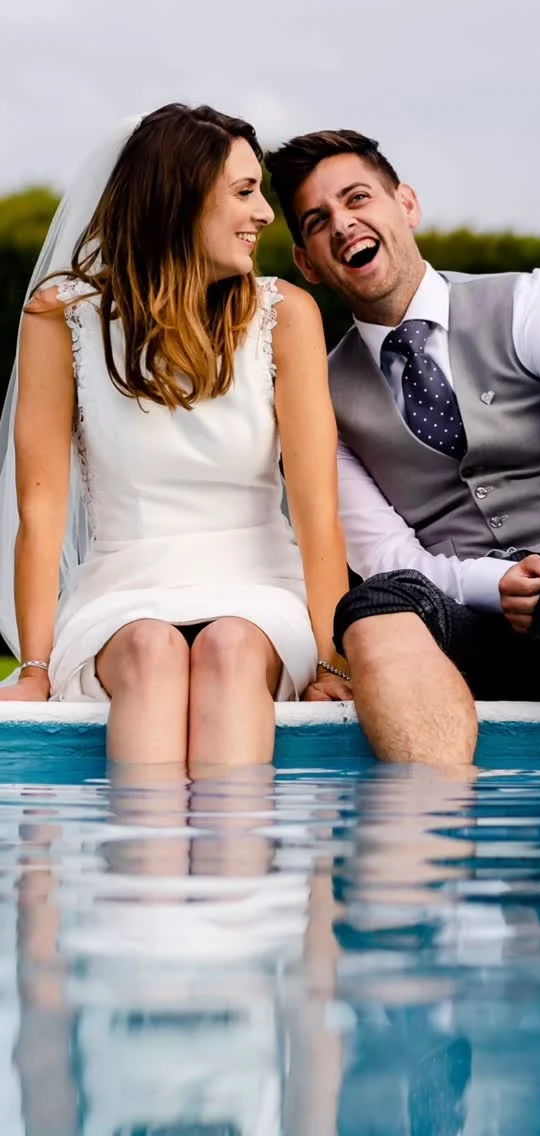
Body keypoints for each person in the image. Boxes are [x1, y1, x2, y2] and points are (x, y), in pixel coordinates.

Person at [266, 129, 540, 765]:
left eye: (359, 198)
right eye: (318, 220)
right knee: (371, 609)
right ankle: (428, 846)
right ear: (307, 263)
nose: (343, 224)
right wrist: (491, 583)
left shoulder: (524, 304)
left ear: (406, 205)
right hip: (467, 614)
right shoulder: (320, 395)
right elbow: (384, 553)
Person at [0, 104, 352, 768]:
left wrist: (334, 661)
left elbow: (315, 511)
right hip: (120, 591)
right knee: (152, 652)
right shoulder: (60, 318)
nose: (265, 215)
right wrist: (36, 665)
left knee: (228, 649)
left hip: (260, 590)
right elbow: (40, 509)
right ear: (180, 200)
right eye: (244, 193)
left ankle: (237, 869)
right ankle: (147, 869)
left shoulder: (286, 317)